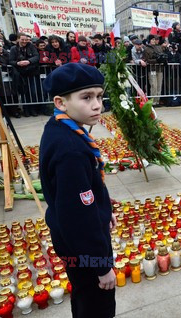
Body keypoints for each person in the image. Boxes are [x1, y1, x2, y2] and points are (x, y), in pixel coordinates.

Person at [40, 63, 116, 318]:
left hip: (74, 245)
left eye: (99, 96)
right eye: (86, 97)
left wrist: (105, 210)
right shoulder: (70, 150)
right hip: (84, 252)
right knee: (97, 304)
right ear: (61, 102)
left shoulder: (60, 128)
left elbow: (84, 189)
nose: (97, 105)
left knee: (84, 298)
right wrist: (102, 266)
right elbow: (79, 218)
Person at [9, 33, 41, 117]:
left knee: (33, 92)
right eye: (22, 39)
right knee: (24, 92)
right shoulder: (13, 49)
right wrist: (18, 63)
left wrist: (28, 61)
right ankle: (26, 110)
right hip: (20, 74)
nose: (24, 41)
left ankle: (33, 109)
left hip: (31, 72)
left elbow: (37, 57)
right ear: (18, 39)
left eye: (26, 40)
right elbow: (11, 61)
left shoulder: (31, 46)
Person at [0, 40, 21, 118]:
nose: (0, 48)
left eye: (0, 46)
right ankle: (6, 112)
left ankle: (14, 110)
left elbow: (11, 61)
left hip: (10, 76)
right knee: (4, 95)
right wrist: (2, 65)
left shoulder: (7, 54)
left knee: (13, 94)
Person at [142, 34, 165, 106]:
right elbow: (147, 60)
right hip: (152, 69)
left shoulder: (159, 47)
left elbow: (162, 56)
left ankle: (157, 101)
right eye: (152, 39)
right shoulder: (146, 48)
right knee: (153, 85)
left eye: (154, 39)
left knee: (159, 86)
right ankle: (153, 102)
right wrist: (157, 60)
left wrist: (162, 59)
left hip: (160, 69)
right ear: (149, 40)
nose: (154, 41)